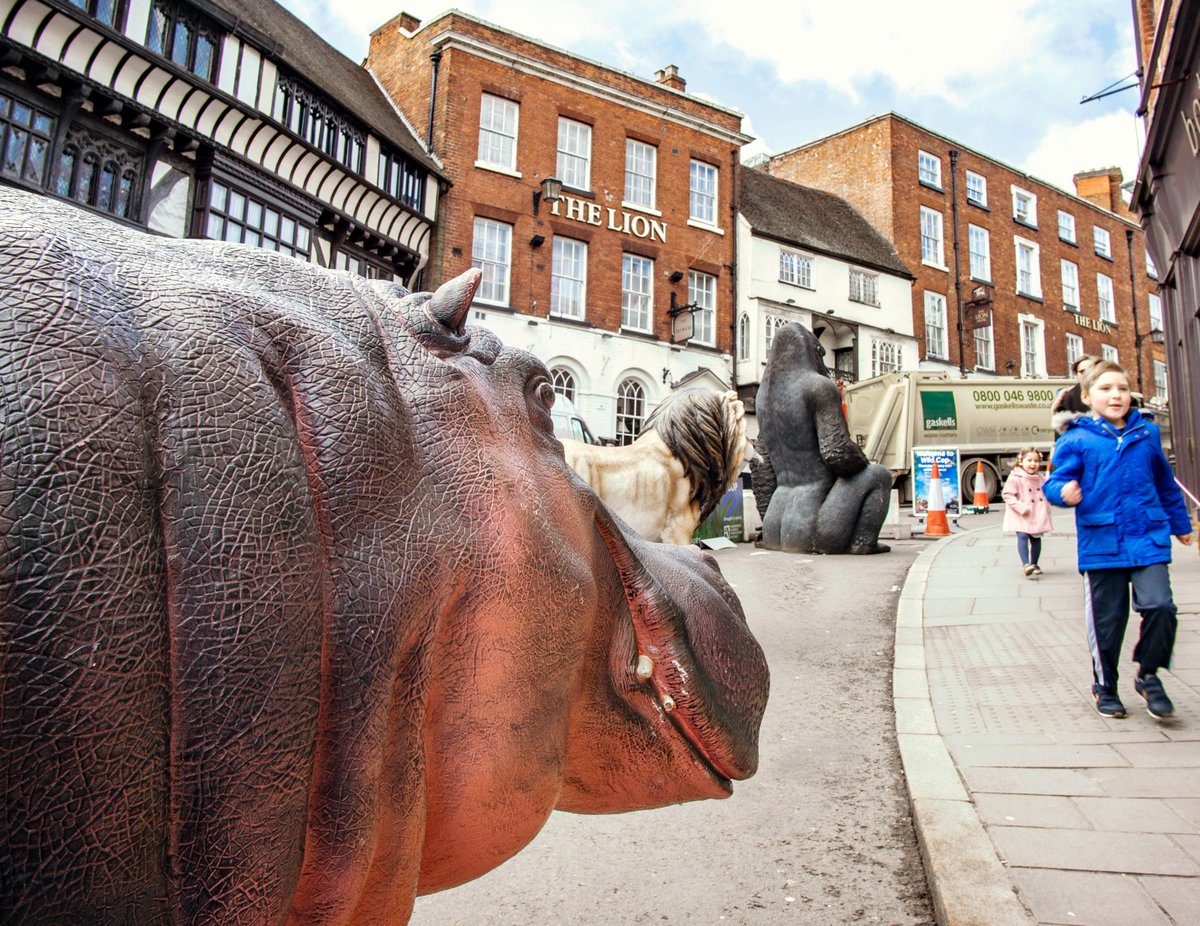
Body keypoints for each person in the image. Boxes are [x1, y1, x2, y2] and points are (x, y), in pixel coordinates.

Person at [1044, 360, 1194, 720]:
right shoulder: (1076, 439)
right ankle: (1105, 686)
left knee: (1161, 607)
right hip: (1102, 541)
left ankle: (1148, 674)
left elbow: (1165, 483)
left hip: (1147, 535)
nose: (1116, 395)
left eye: (1122, 389)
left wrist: (1181, 522)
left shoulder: (1148, 434)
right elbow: (1052, 482)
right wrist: (1064, 491)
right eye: (1106, 389)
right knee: (1108, 622)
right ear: (1087, 396)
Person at [1002, 448, 1053, 577]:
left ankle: (1034, 563)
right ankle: (1026, 564)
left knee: (1036, 539)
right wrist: (1020, 507)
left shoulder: (1041, 478)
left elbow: (1048, 491)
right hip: (1021, 514)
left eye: (1036, 461)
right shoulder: (1015, 477)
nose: (1033, 464)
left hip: (1036, 513)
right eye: (1029, 460)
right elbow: (1007, 494)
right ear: (1021, 461)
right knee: (1022, 536)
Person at [1050, 354, 1098, 436]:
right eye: (1082, 371)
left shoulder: (1110, 393)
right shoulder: (1068, 397)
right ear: (1076, 374)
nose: (1086, 374)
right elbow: (1062, 433)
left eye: (1090, 370)